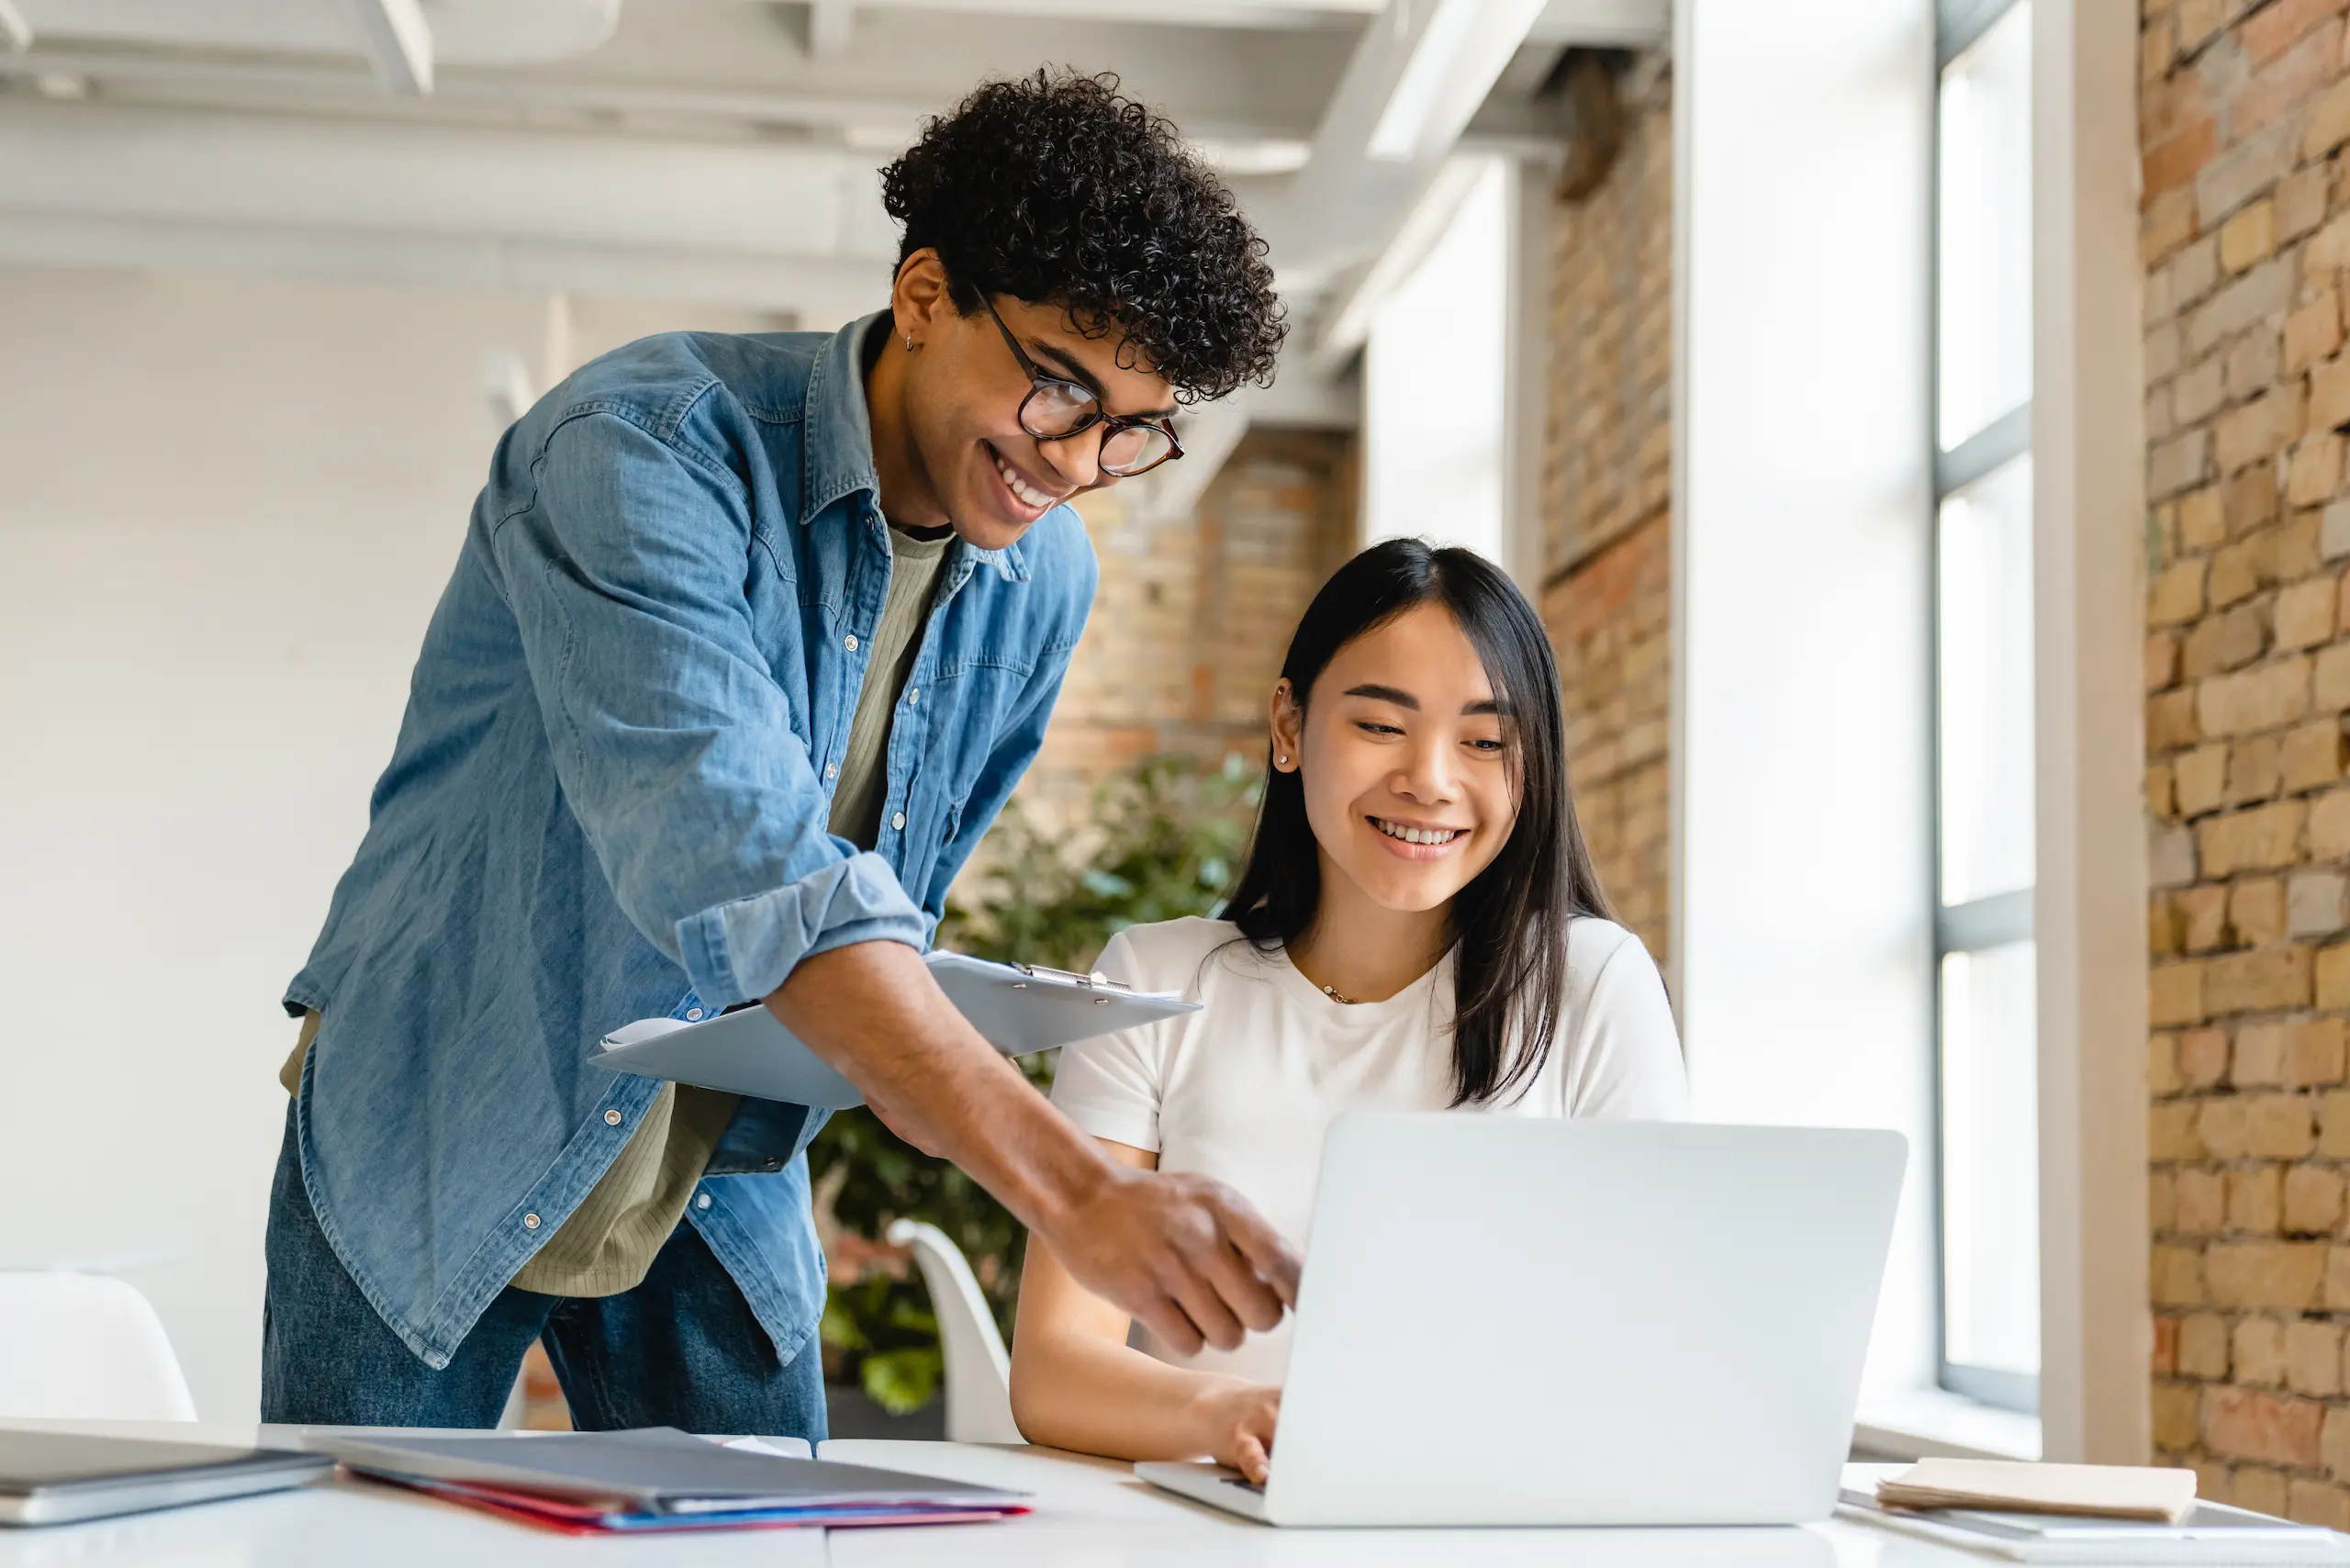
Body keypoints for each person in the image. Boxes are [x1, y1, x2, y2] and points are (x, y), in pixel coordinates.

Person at [261, 71, 1298, 1435]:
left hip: (712, 1164)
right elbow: (751, 869)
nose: (1079, 463)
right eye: (1059, 391)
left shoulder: (1040, 582)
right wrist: (1081, 1192)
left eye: (1134, 428)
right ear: (925, 296)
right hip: (450, 1111)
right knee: (356, 1549)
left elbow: (891, 896)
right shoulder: (641, 453)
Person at [1007, 538, 1689, 1480]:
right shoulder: (1154, 982)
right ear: (1287, 726)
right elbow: (1054, 1369)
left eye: (1485, 741)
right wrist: (1241, 1417)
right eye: (1380, 725)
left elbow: (1653, 1346)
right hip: (1203, 1526)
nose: (1431, 778)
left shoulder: (1592, 982)